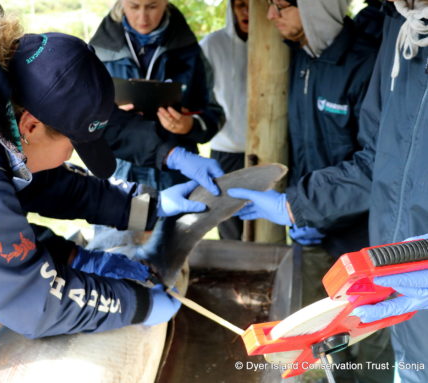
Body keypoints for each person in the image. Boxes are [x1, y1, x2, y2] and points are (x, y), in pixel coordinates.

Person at [0, 0, 211, 378]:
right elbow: (34, 302)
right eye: (72, 146)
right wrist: (137, 303)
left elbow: (47, 183)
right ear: (30, 126)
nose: (68, 158)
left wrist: (145, 206)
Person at [227, 0, 428, 381]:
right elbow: (379, 158)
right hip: (390, 272)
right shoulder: (397, 30)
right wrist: (296, 206)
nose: (269, 17)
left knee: (370, 358)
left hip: (368, 246)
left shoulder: (361, 59)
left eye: (280, 6)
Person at [89, 0, 225, 191]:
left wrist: (189, 125)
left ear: (165, 3)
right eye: (134, 7)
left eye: (152, 7)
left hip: (176, 176)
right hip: (119, 173)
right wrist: (112, 115)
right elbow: (84, 120)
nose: (143, 17)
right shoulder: (99, 52)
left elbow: (215, 115)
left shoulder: (190, 52)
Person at [199, 0, 248, 240]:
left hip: (274, 147)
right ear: (231, 8)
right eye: (240, 5)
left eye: (252, 5)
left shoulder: (283, 44)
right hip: (226, 150)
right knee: (229, 222)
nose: (247, 12)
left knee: (266, 221)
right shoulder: (212, 45)